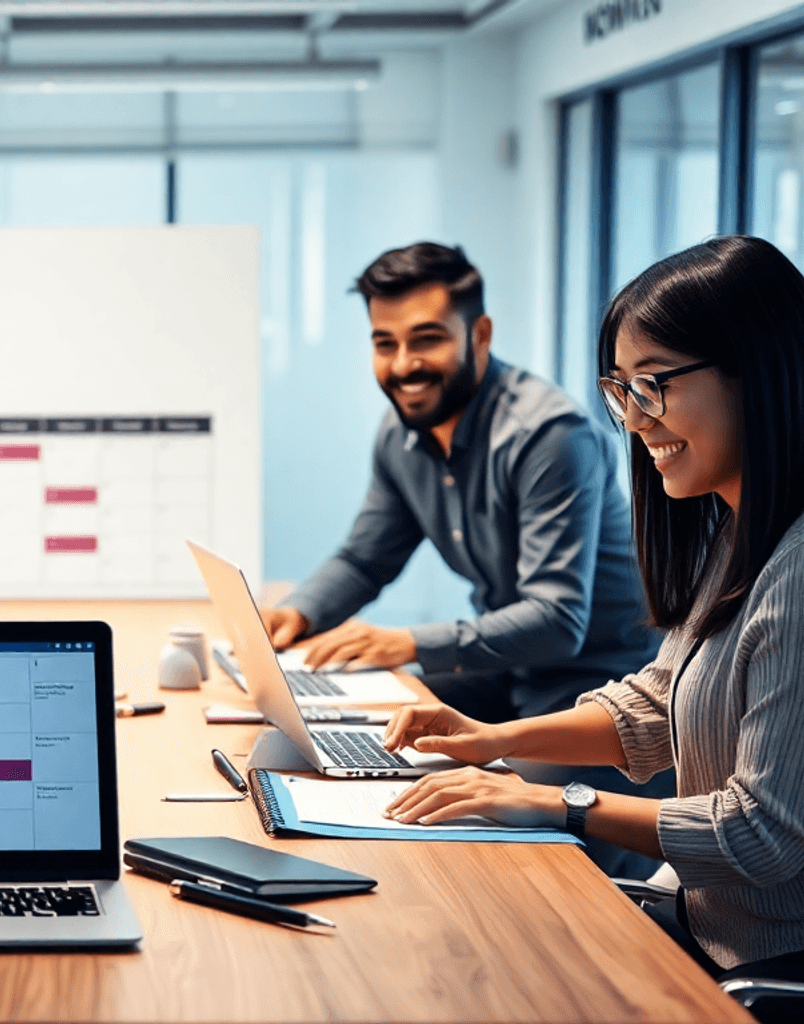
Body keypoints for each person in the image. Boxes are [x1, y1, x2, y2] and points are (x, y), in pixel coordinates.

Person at [381, 235, 804, 1011]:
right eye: (623, 389)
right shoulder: (739, 533)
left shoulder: (798, 573)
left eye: (654, 385)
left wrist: (558, 802)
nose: (634, 421)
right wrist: (493, 738)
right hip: (688, 920)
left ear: (758, 371)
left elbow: (761, 836)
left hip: (756, 966)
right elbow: (655, 706)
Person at [258, 242, 669, 877]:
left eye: (425, 340)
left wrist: (406, 641)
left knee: (474, 823)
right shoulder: (402, 435)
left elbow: (559, 619)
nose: (403, 365)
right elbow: (366, 559)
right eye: (383, 343)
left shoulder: (549, 436)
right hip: (512, 674)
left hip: (590, 688)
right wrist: (298, 614)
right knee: (370, 724)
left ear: (479, 334)